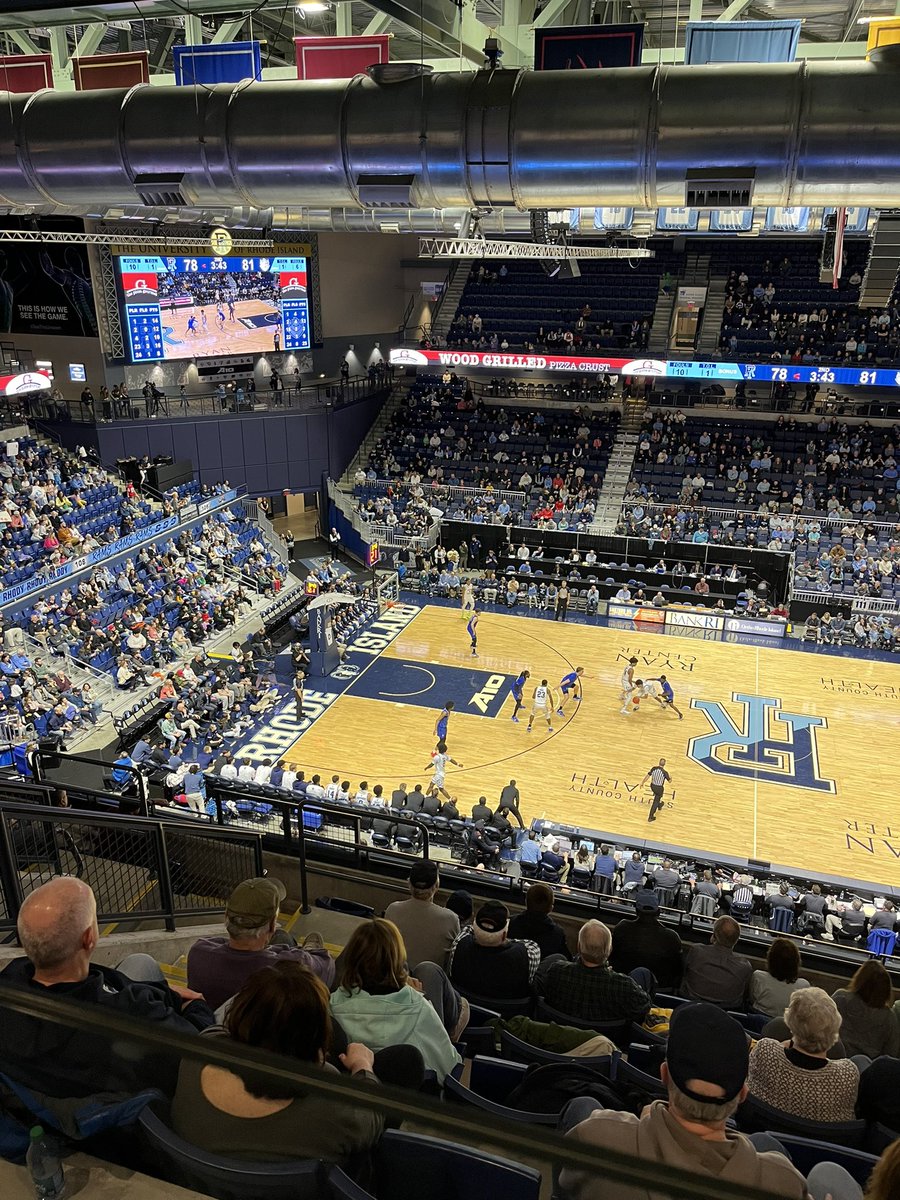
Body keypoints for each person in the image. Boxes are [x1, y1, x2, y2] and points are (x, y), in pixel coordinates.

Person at [557, 1003, 808, 1200]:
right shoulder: (783, 1183)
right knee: (766, 1142)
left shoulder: (598, 1136)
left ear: (664, 1075)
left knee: (583, 1105)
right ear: (742, 1095)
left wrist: (646, 1126)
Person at [0, 877, 215, 1098]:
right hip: (135, 1112)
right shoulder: (134, 1015)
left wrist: (156, 994)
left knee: (140, 962)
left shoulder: (11, 980)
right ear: (89, 938)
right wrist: (196, 1005)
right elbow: (201, 1055)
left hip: (47, 1104)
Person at [172, 962, 386, 1163]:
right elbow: (373, 1119)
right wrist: (362, 1066)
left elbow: (226, 1030)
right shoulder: (336, 1108)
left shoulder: (201, 1049)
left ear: (242, 1011)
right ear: (316, 1036)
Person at [330, 919, 463, 1083]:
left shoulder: (330, 1006)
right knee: (462, 1006)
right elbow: (449, 1067)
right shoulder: (419, 1007)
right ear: (397, 959)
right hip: (404, 1100)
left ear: (350, 958)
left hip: (348, 1098)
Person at [187, 877, 334, 1011]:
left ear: (226, 916)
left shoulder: (199, 953)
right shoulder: (291, 967)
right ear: (272, 925)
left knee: (282, 937)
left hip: (213, 1032)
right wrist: (298, 953)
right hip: (267, 1034)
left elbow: (224, 945)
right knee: (284, 938)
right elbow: (328, 968)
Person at [746, 987, 859, 1122]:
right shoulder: (848, 1075)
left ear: (791, 1022)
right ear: (835, 1026)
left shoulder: (765, 1051)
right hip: (820, 1141)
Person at [538, 920, 652, 1024]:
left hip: (561, 1033)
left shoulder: (556, 972)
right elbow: (645, 1007)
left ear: (578, 947)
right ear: (609, 950)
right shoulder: (624, 986)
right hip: (610, 1041)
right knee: (642, 973)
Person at [447, 900, 540, 1001]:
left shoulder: (458, 945)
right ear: (505, 935)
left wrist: (486, 933)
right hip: (507, 1015)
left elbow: (468, 929)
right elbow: (530, 944)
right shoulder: (529, 954)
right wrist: (497, 937)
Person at [384, 860, 460, 969]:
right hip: (430, 983)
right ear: (437, 885)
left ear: (409, 884)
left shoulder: (392, 910)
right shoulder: (451, 919)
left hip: (396, 980)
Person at [610, 891, 683, 991]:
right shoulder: (672, 937)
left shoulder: (622, 928)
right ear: (658, 912)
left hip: (621, 988)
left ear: (636, 910)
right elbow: (678, 972)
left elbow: (612, 959)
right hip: (660, 993)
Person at [832, 960, 900, 1059]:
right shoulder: (890, 1018)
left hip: (834, 1059)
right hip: (866, 1069)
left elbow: (821, 1025)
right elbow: (890, 1054)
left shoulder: (841, 998)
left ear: (859, 980)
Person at [680, 916, 752, 1009]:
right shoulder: (745, 967)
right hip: (724, 1014)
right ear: (736, 940)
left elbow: (684, 973)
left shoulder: (697, 951)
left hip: (687, 1007)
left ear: (713, 936)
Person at [749, 937, 811, 1018]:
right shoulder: (804, 987)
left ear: (770, 959)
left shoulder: (758, 977)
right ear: (796, 962)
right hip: (785, 1028)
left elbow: (752, 999)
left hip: (757, 1025)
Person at [508, 883, 569, 960]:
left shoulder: (509, 923)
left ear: (526, 902)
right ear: (551, 908)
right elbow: (565, 959)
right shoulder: (558, 934)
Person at [640, 758, 671, 823]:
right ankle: (650, 817)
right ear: (664, 764)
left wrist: (643, 782)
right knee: (655, 801)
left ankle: (659, 805)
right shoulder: (665, 772)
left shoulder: (653, 768)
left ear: (659, 762)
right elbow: (670, 781)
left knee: (658, 796)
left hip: (652, 786)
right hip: (659, 788)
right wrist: (670, 778)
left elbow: (648, 776)